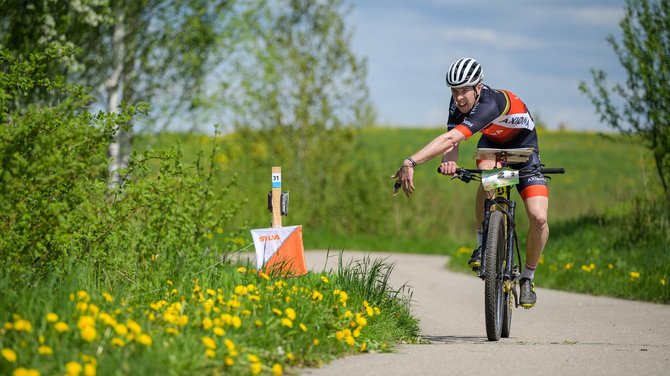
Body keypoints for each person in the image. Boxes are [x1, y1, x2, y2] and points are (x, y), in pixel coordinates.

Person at [391, 57, 550, 308]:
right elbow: (452, 143)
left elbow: (451, 136)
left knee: (539, 217)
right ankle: (483, 246)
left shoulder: (490, 103)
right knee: (488, 179)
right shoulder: (458, 105)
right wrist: (449, 162)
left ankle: (528, 277)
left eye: (464, 90)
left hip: (524, 149)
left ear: (478, 87)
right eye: (454, 91)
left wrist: (411, 161)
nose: (458, 98)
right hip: (492, 147)